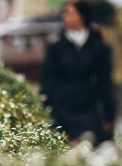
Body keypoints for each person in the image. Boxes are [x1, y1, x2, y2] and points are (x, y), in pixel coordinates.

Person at [40, 0, 116, 145]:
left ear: (82, 17)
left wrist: (109, 115)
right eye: (64, 13)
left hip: (87, 108)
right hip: (62, 109)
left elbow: (104, 82)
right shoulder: (56, 47)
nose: (65, 17)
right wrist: (48, 108)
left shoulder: (97, 47)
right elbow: (47, 80)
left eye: (70, 13)